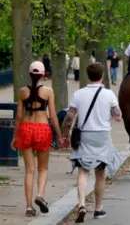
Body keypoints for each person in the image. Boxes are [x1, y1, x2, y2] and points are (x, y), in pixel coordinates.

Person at [61, 63, 123, 222]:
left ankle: (81, 204)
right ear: (102, 75)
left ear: (88, 75)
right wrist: (114, 114)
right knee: (100, 172)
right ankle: (98, 208)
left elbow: (69, 117)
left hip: (84, 135)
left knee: (83, 170)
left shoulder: (79, 94)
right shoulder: (108, 94)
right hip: (102, 135)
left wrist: (65, 135)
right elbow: (117, 115)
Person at [11, 61, 64, 217]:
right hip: (42, 130)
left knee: (29, 170)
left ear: (29, 74)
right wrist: (60, 135)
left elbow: (19, 116)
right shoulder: (48, 91)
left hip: (26, 129)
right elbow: (53, 115)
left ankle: (28, 207)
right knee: (43, 168)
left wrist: (15, 136)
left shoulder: (22, 92)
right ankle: (40, 195)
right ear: (43, 74)